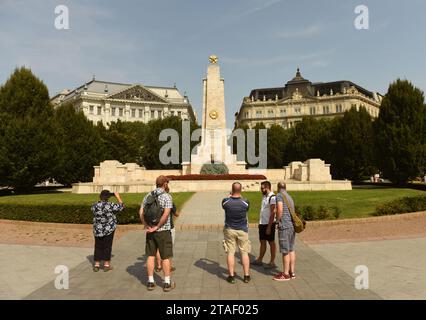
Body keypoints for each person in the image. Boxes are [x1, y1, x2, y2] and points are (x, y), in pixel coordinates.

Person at [139, 175, 175, 292]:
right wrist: (157, 226)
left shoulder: (148, 195)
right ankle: (167, 283)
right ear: (165, 184)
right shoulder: (166, 196)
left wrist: (146, 225)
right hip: (163, 231)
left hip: (150, 230)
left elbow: (141, 212)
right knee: (165, 257)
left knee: (150, 256)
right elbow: (166, 213)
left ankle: (150, 281)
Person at [222, 182, 251, 284]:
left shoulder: (226, 202)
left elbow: (224, 204)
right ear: (241, 190)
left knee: (230, 252)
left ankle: (231, 276)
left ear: (232, 189)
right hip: (242, 229)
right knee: (244, 252)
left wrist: (230, 195)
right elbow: (246, 208)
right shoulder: (245, 202)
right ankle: (246, 275)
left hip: (229, 229)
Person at [91, 190, 124, 272]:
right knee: (107, 246)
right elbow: (121, 206)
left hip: (97, 229)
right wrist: (118, 196)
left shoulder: (94, 205)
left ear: (100, 196)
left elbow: (93, 210)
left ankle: (96, 264)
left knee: (98, 246)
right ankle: (106, 265)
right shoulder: (110, 205)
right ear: (108, 197)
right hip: (109, 228)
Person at [273, 182, 296, 281]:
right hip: (291, 226)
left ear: (278, 188)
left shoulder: (279, 195)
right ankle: (292, 272)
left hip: (285, 226)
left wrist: (277, 221)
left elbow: (280, 209)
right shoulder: (289, 196)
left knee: (285, 250)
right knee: (291, 249)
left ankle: (285, 274)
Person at [251, 181, 277, 269]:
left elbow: (273, 213)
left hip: (269, 224)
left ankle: (272, 262)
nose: (261, 190)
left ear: (267, 187)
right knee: (262, 241)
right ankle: (259, 260)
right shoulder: (264, 196)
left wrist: (269, 227)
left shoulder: (273, 197)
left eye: (262, 188)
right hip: (262, 223)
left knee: (271, 242)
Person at [155, 202, 179, 273]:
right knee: (169, 246)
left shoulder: (154, 199)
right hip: (168, 227)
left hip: (156, 227)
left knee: (158, 247)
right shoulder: (169, 201)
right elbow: (177, 214)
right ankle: (169, 266)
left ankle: (159, 266)